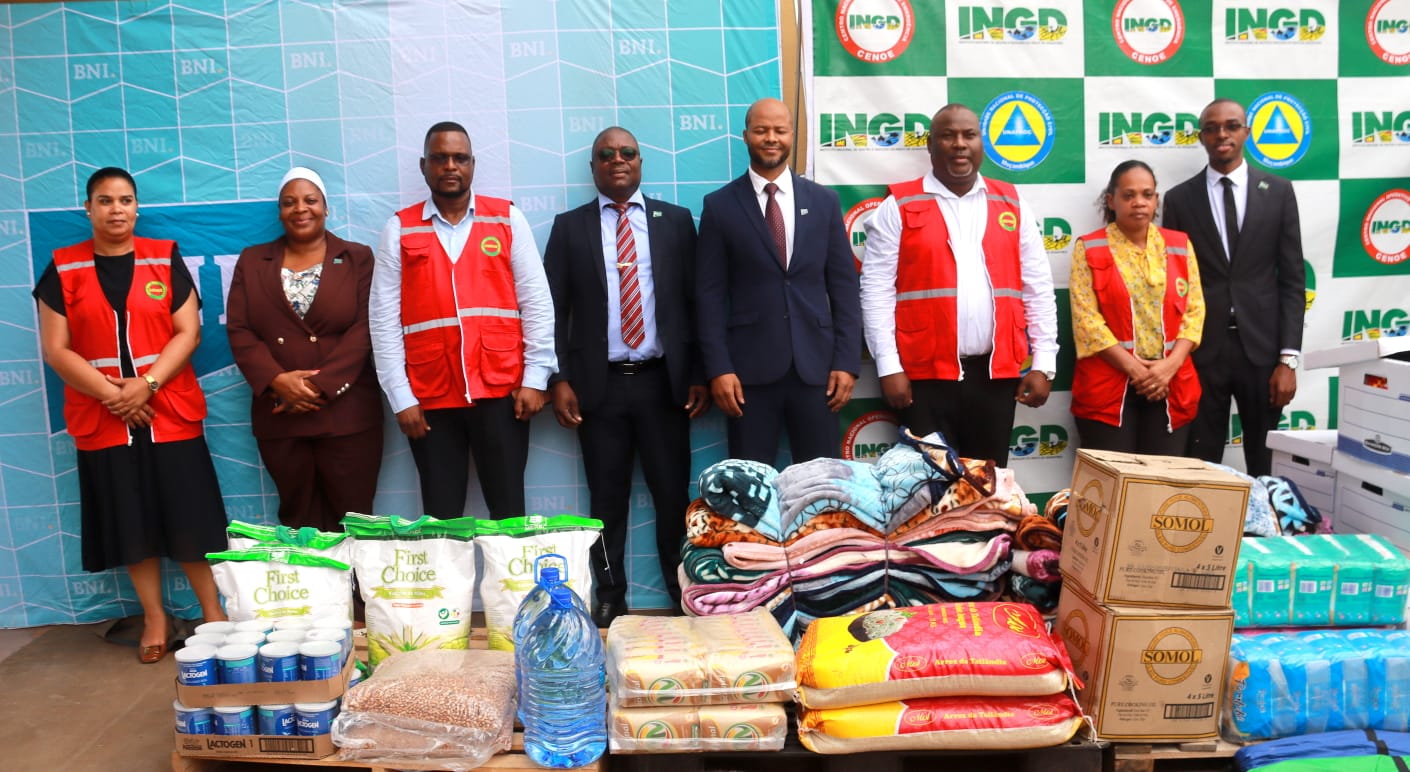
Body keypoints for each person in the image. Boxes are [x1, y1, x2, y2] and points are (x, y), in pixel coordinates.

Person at [33, 167, 227, 663]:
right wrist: (113, 395)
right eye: (105, 200)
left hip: (169, 411)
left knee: (190, 517)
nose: (116, 209)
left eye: (124, 200)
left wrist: (147, 385)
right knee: (130, 522)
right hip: (103, 416)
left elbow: (188, 332)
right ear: (89, 209)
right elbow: (56, 349)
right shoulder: (64, 268)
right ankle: (155, 617)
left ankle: (213, 614)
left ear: (137, 207)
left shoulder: (164, 257)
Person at [544, 127, 708, 625]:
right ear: (593, 166)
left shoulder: (675, 221)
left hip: (664, 384)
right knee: (607, 501)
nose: (618, 160)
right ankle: (610, 594)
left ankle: (683, 592)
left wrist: (698, 373)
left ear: (640, 162)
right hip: (599, 387)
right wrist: (558, 378)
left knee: (671, 496)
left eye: (628, 153)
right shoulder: (569, 227)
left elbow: (696, 302)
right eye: (606, 154)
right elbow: (552, 310)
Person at [369, 121, 556, 518]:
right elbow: (382, 320)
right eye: (440, 158)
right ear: (424, 166)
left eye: (460, 158)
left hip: (502, 393)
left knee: (509, 518)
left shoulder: (506, 219)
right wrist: (401, 397)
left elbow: (537, 302)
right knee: (442, 519)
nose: (450, 166)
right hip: (429, 397)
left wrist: (536, 378)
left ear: (473, 164)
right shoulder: (400, 228)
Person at [860, 103, 1059, 464]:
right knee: (927, 485)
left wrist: (1044, 362)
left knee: (987, 485)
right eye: (947, 136)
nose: (959, 144)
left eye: (969, 135)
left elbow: (1038, 287)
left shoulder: (1011, 203)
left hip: (995, 376)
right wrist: (888, 366)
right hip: (923, 377)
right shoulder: (899, 205)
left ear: (982, 143)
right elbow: (876, 291)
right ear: (930, 145)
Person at [694, 97, 862, 465]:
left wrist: (847, 362)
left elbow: (845, 289)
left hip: (817, 372)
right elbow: (708, 296)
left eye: (780, 130)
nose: (771, 138)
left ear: (791, 136)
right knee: (751, 486)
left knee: (821, 484)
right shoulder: (719, 206)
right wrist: (719, 369)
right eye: (761, 130)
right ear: (746, 136)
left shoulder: (824, 202)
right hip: (747, 377)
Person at [226, 167, 383, 532]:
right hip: (281, 414)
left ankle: (356, 577)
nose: (300, 209)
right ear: (279, 211)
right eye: (289, 202)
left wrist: (317, 387)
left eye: (310, 200)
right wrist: (277, 381)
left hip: (347, 414)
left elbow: (365, 328)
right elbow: (239, 329)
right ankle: (311, 576)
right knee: (299, 523)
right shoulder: (253, 261)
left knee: (355, 523)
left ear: (325, 207)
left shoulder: (358, 257)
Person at [1163, 98, 1305, 477]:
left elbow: (1293, 280)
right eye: (1211, 128)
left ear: (1247, 132)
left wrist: (1288, 360)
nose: (1221, 134)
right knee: (1201, 461)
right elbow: (1174, 286)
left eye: (1231, 126)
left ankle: (1267, 516)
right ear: (1201, 137)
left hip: (1263, 351)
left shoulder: (1278, 191)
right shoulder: (1179, 199)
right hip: (1201, 351)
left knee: (1266, 460)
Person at [1069, 161, 1205, 454]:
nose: (1139, 202)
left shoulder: (1179, 244)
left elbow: (1195, 313)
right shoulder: (1090, 248)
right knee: (1113, 478)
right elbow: (1086, 321)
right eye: (1128, 195)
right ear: (1111, 200)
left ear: (1156, 200)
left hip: (1170, 383)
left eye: (1147, 194)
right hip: (1108, 386)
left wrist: (1168, 367)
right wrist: (1138, 371)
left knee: (1161, 479)